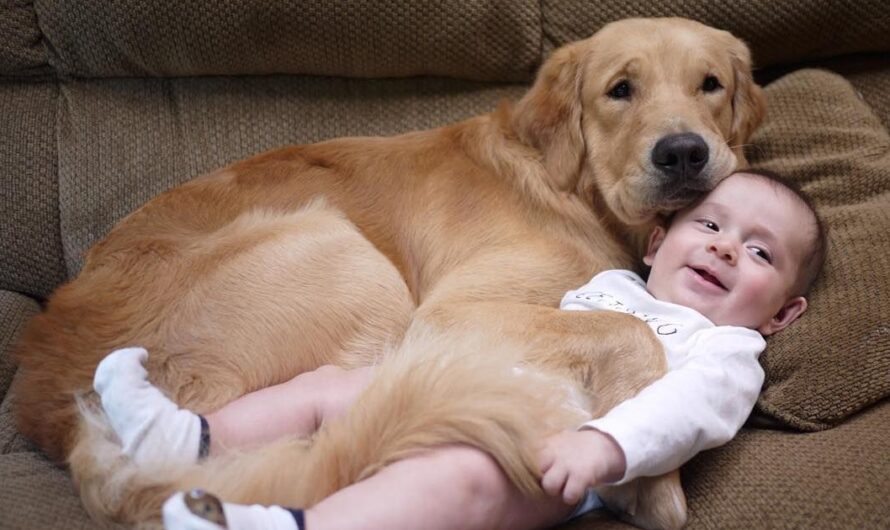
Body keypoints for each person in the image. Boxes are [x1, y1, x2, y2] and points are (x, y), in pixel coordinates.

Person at [92, 169, 827, 530]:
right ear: (657, 241)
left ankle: (296, 528)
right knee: (333, 384)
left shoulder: (726, 350)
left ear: (783, 314)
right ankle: (188, 436)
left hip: (545, 449)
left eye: (760, 252)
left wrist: (603, 448)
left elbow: (690, 412)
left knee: (459, 479)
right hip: (455, 385)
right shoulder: (608, 286)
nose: (727, 248)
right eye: (709, 226)